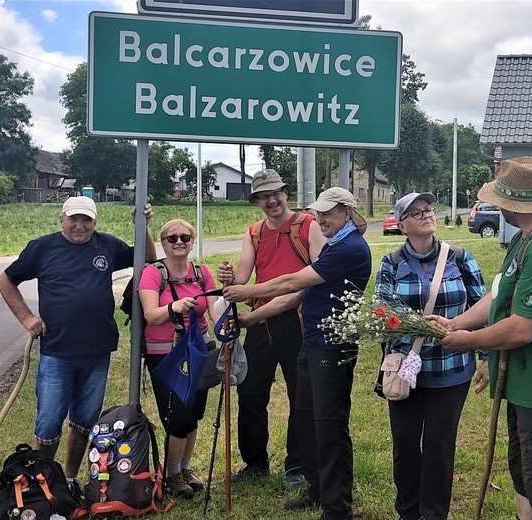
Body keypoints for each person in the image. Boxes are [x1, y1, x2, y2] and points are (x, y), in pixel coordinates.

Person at [437, 156, 532, 520]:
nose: (495, 206)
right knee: (526, 480)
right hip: (528, 385)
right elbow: (502, 296)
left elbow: (524, 328)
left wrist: (471, 343)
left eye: (498, 201)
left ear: (512, 204)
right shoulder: (528, 236)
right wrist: (457, 324)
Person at [224, 187, 371, 520]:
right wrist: (251, 317)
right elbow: (297, 294)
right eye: (318, 214)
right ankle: (317, 490)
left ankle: (338, 506)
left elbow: (291, 282)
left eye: (328, 214)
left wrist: (247, 291)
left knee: (330, 425)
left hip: (334, 346)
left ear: (346, 213)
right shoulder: (333, 245)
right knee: (306, 419)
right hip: (313, 342)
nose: (320, 220)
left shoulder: (348, 248)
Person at [0, 196, 156, 495]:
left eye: (87, 220)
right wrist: (27, 317)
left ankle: (67, 480)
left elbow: (145, 258)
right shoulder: (42, 248)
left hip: (97, 350)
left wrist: (142, 226)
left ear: (95, 222)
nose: (80, 226)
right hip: (58, 351)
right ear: (62, 219)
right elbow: (5, 281)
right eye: (74, 219)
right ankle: (40, 485)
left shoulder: (107, 246)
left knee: (84, 421)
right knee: (48, 423)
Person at [375, 192, 489, 520]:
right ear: (402, 225)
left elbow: (481, 309)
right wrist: (413, 324)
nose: (426, 215)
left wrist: (484, 356)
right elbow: (380, 310)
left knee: (439, 448)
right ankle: (408, 512)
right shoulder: (391, 263)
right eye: (416, 213)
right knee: (405, 445)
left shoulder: (460, 257)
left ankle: (435, 514)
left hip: (451, 369)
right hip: (403, 372)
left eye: (428, 210)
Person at [216, 169, 325, 485]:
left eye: (276, 193)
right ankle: (255, 463)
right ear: (257, 201)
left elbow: (319, 274)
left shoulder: (308, 225)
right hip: (261, 319)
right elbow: (242, 278)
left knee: (300, 393)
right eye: (264, 196)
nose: (272, 200)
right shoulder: (254, 232)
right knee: (250, 391)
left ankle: (297, 465)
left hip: (298, 319)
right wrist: (229, 278)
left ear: (285, 193)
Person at [138, 218, 222, 499]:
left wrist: (226, 325)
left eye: (185, 238)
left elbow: (213, 311)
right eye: (172, 238)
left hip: (199, 350)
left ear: (192, 241)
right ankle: (171, 475)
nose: (179, 243)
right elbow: (150, 314)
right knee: (178, 417)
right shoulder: (153, 273)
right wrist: (173, 307)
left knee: (195, 413)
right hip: (165, 354)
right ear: (163, 243)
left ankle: (185, 469)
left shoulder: (201, 273)